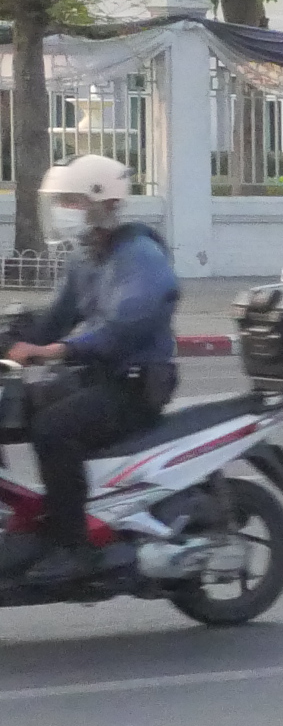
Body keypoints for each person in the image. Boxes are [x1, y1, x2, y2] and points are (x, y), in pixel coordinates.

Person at [0, 154, 179, 588]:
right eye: (59, 201)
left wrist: (53, 351)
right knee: (18, 409)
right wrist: (10, 336)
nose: (63, 210)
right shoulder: (88, 256)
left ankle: (74, 548)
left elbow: (120, 330)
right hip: (98, 376)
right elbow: (56, 316)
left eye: (71, 201)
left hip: (136, 385)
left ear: (104, 203)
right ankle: (35, 520)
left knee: (53, 430)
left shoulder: (140, 256)